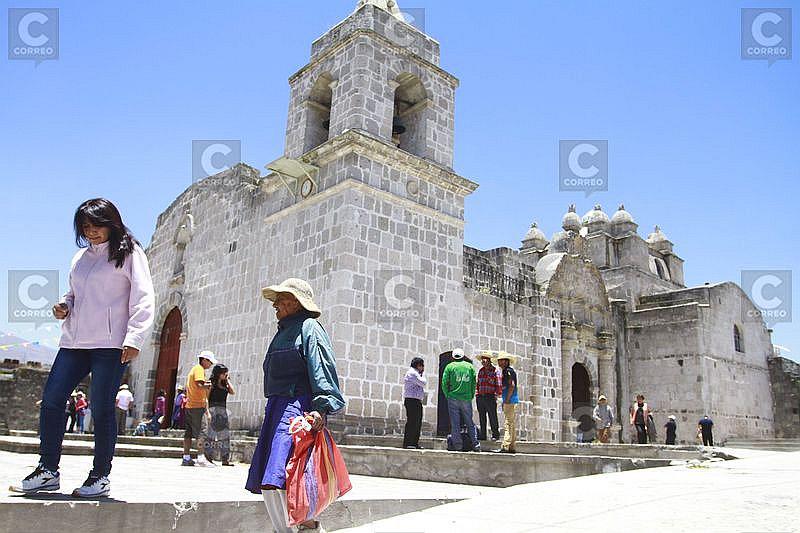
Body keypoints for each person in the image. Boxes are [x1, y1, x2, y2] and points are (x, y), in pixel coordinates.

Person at [16, 198, 155, 498]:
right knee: (52, 400)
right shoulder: (79, 258)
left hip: (110, 344)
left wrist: (134, 338)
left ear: (112, 223)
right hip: (74, 342)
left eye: (97, 226)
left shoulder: (130, 253)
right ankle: (48, 470)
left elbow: (143, 297)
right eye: (85, 227)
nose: (91, 232)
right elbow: (73, 294)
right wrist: (65, 306)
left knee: (102, 407)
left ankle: (100, 476)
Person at [246, 278, 345, 533]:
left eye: (282, 299)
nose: (275, 304)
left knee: (289, 477)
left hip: (296, 411)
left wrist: (321, 408)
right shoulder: (281, 333)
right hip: (276, 410)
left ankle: (309, 529)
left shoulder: (309, 327)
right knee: (271, 478)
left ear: (297, 302)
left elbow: (322, 367)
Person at [181, 351, 215, 466]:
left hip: (190, 406)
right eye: (210, 362)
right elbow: (200, 384)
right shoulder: (199, 369)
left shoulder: (193, 370)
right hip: (197, 407)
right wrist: (209, 385)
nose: (210, 365)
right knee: (202, 432)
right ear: (204, 360)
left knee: (188, 433)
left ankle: (186, 457)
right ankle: (201, 458)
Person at [442, 348, 479, 453]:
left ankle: (458, 446)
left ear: (453, 357)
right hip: (466, 398)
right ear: (463, 356)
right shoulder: (470, 367)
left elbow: (444, 383)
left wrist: (447, 395)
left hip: (453, 397)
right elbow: (473, 383)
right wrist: (471, 395)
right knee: (469, 422)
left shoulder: (449, 367)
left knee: (455, 423)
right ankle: (476, 444)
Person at [207, 364, 235, 465]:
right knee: (211, 434)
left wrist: (227, 380)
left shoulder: (225, 385)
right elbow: (207, 397)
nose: (225, 375)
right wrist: (207, 411)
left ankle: (225, 459)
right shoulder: (211, 384)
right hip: (213, 409)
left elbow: (232, 392)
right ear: (218, 373)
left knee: (225, 435)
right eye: (223, 373)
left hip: (222, 410)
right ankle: (208, 457)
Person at [495, 353, 519, 453]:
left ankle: (505, 445)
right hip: (512, 399)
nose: (499, 362)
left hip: (510, 400)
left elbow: (512, 385)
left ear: (505, 361)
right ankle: (512, 446)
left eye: (501, 360)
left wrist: (508, 398)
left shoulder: (507, 371)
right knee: (512, 423)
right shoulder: (508, 371)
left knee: (508, 423)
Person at [475, 353, 501, 442]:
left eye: (485, 359)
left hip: (490, 396)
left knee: (492, 416)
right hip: (480, 396)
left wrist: (497, 395)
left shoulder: (495, 371)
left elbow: (498, 384)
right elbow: (478, 384)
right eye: (482, 359)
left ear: (489, 360)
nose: (483, 361)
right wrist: (477, 394)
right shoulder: (481, 371)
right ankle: (483, 435)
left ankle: (495, 434)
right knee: (482, 416)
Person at [402, 357, 426, 449]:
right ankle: (409, 443)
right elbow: (423, 383)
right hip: (412, 401)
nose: (423, 368)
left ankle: (414, 443)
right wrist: (422, 375)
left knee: (417, 422)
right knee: (412, 422)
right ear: (418, 365)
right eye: (422, 365)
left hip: (415, 400)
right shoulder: (413, 373)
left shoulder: (416, 373)